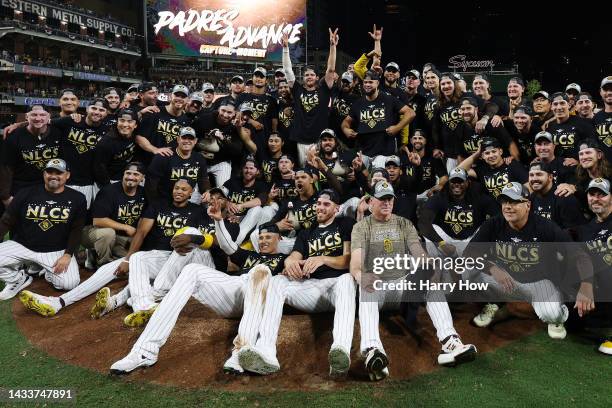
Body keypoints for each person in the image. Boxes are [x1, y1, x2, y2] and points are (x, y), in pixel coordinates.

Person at [109, 219, 286, 375]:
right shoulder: (248, 254)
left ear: (280, 239)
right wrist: (218, 220)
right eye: (261, 238)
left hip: (260, 294)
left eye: (268, 237)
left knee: (261, 270)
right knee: (191, 270)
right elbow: (226, 246)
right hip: (235, 290)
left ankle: (240, 352)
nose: (263, 241)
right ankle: (144, 351)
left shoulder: (286, 259)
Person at [18, 179, 207, 318]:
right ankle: (59, 302)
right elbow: (141, 233)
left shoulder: (197, 212)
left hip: (174, 258)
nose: (178, 191)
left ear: (191, 193)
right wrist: (127, 259)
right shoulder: (159, 205)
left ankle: (123, 303)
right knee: (106, 271)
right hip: (151, 256)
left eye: (184, 189)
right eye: (176, 187)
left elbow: (201, 240)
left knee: (141, 283)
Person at [351, 181, 477, 381]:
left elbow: (419, 253)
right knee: (367, 287)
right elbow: (355, 265)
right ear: (370, 201)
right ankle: (372, 350)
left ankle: (450, 342)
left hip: (404, 284)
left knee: (431, 284)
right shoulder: (361, 227)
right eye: (381, 198)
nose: (386, 202)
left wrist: (428, 266)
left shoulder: (404, 224)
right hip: (378, 288)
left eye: (389, 198)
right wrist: (361, 276)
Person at [238, 189, 356, 378]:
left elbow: (349, 260)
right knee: (277, 280)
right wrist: (290, 263)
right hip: (311, 288)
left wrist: (323, 259)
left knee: (347, 279)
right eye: (318, 203)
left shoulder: (346, 224)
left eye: (326, 204)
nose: (320, 207)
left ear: (336, 208)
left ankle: (340, 349)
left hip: (336, 287)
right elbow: (294, 257)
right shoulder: (306, 233)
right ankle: (266, 351)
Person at [465, 182, 595, 338]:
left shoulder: (545, 227)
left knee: (552, 314)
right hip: (506, 280)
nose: (507, 206)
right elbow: (469, 254)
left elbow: (580, 255)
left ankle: (557, 317)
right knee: (467, 270)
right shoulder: (494, 224)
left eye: (514, 201)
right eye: (505, 202)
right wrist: (491, 268)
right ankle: (495, 301)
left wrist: (586, 285)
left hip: (538, 283)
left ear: (527, 205)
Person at [0, 159, 85, 300]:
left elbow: (76, 229)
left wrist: (68, 254)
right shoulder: (26, 193)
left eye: (59, 172)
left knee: (69, 283)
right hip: (23, 245)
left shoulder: (77, 198)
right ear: (44, 174)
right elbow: (6, 221)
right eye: (50, 171)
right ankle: (17, 279)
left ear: (67, 175)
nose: (53, 176)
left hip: (55, 250)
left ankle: (47, 271)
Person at [282, 29, 338, 166]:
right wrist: (285, 48)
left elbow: (330, 69)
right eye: (306, 75)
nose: (309, 77)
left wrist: (332, 46)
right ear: (303, 78)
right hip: (301, 140)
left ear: (317, 78)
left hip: (319, 141)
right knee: (305, 174)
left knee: (321, 174)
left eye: (312, 75)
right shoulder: (297, 90)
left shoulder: (324, 90)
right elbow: (288, 70)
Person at [342, 70, 415, 168]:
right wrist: (346, 129)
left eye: (371, 82)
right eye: (365, 82)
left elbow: (410, 113)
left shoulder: (388, 99)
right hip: (363, 152)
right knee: (361, 180)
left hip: (385, 152)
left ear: (377, 83)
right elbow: (345, 122)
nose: (367, 85)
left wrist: (397, 128)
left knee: (379, 180)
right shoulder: (358, 103)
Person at [419, 167, 498, 257]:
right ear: (448, 182)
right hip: (446, 239)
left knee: (487, 225)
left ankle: (476, 261)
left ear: (468, 182)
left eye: (460, 181)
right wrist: (441, 243)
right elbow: (423, 223)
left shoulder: (479, 197)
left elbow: (498, 216)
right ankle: (437, 265)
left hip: (470, 241)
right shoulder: (440, 197)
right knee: (430, 228)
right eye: (453, 181)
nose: (456, 184)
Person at [82, 162, 146, 268]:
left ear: (142, 178)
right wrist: (126, 227)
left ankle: (96, 253)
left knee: (135, 260)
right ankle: (103, 265)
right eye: (128, 173)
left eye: (136, 174)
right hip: (92, 231)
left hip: (119, 237)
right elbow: (98, 221)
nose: (131, 177)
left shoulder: (143, 193)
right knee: (108, 233)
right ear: (123, 175)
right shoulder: (109, 191)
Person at [575, 178, 612, 355]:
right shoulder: (586, 230)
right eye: (592, 194)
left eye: (602, 195)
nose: (596, 198)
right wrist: (586, 284)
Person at [52, 98, 110, 208]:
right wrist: (16, 125)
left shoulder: (108, 130)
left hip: (87, 182)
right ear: (87, 109)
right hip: (64, 179)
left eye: (101, 110)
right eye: (94, 108)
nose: (97, 112)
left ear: (106, 113)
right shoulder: (71, 121)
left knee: (81, 214)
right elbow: (43, 123)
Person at [0, 104, 62, 206]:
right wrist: (5, 196)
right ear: (26, 116)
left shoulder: (58, 133)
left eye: (42, 115)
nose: (38, 118)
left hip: (48, 186)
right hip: (21, 187)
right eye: (34, 115)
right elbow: (5, 168)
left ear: (48, 117)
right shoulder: (14, 136)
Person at [145, 126, 209, 203]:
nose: (187, 141)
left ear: (195, 141)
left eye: (190, 138)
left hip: (188, 199)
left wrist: (207, 191)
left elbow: (203, 179)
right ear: (178, 139)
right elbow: (151, 183)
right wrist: (154, 203)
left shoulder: (199, 158)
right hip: (164, 199)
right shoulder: (164, 156)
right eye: (184, 138)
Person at [458, 138, 528, 201]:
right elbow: (458, 171)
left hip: (514, 207)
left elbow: (527, 187)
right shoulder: (482, 170)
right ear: (482, 156)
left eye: (494, 151)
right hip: (495, 212)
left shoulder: (512, 165)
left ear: (500, 152)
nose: (491, 155)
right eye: (487, 153)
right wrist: (477, 153)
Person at [135, 84, 191, 161]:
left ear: (188, 100)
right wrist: (155, 149)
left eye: (183, 96)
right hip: (148, 161)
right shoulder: (155, 111)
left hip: (168, 165)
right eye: (177, 95)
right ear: (171, 96)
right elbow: (139, 137)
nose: (179, 98)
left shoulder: (186, 121)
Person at [527, 162, 585, 231]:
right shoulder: (531, 198)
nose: (534, 178)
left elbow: (574, 232)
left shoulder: (564, 196)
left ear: (550, 177)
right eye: (531, 175)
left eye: (539, 174)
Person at [93, 108, 138, 186]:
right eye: (122, 120)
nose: (125, 125)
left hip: (127, 179)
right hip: (109, 181)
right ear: (117, 122)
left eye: (130, 121)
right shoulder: (106, 142)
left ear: (136, 125)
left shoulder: (137, 136)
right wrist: (109, 187)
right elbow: (99, 168)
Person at [547, 92, 597, 160]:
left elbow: (593, 147)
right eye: (555, 104)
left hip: (579, 167)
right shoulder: (550, 126)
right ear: (551, 107)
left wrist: (578, 161)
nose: (559, 107)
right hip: (556, 167)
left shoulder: (583, 123)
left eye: (562, 103)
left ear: (569, 105)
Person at [593, 76, 612, 163]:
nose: (609, 92)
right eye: (606, 89)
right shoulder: (597, 117)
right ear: (600, 92)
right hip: (604, 169)